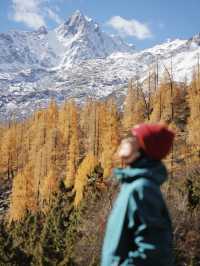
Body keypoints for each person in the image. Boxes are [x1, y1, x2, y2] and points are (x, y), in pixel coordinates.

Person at [101, 123, 175, 266]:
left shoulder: (142, 189)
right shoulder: (133, 185)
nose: (125, 140)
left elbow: (153, 252)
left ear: (144, 148)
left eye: (133, 137)